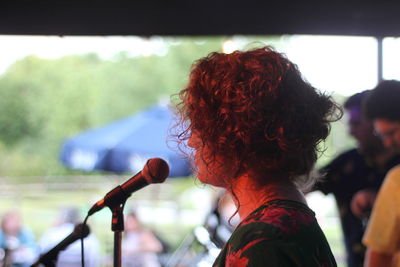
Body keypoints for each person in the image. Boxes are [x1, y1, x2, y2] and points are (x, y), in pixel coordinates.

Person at [174, 46, 340, 266]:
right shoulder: (285, 222)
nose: (191, 140)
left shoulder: (264, 240)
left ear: (235, 133)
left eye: (199, 126)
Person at [312, 90, 400, 267]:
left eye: (356, 124)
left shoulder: (396, 174)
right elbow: (301, 184)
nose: (351, 132)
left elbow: (379, 256)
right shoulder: (346, 163)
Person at [360, 80, 400, 267]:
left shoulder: (397, 180)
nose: (387, 143)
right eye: (382, 135)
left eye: (391, 133)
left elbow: (379, 257)